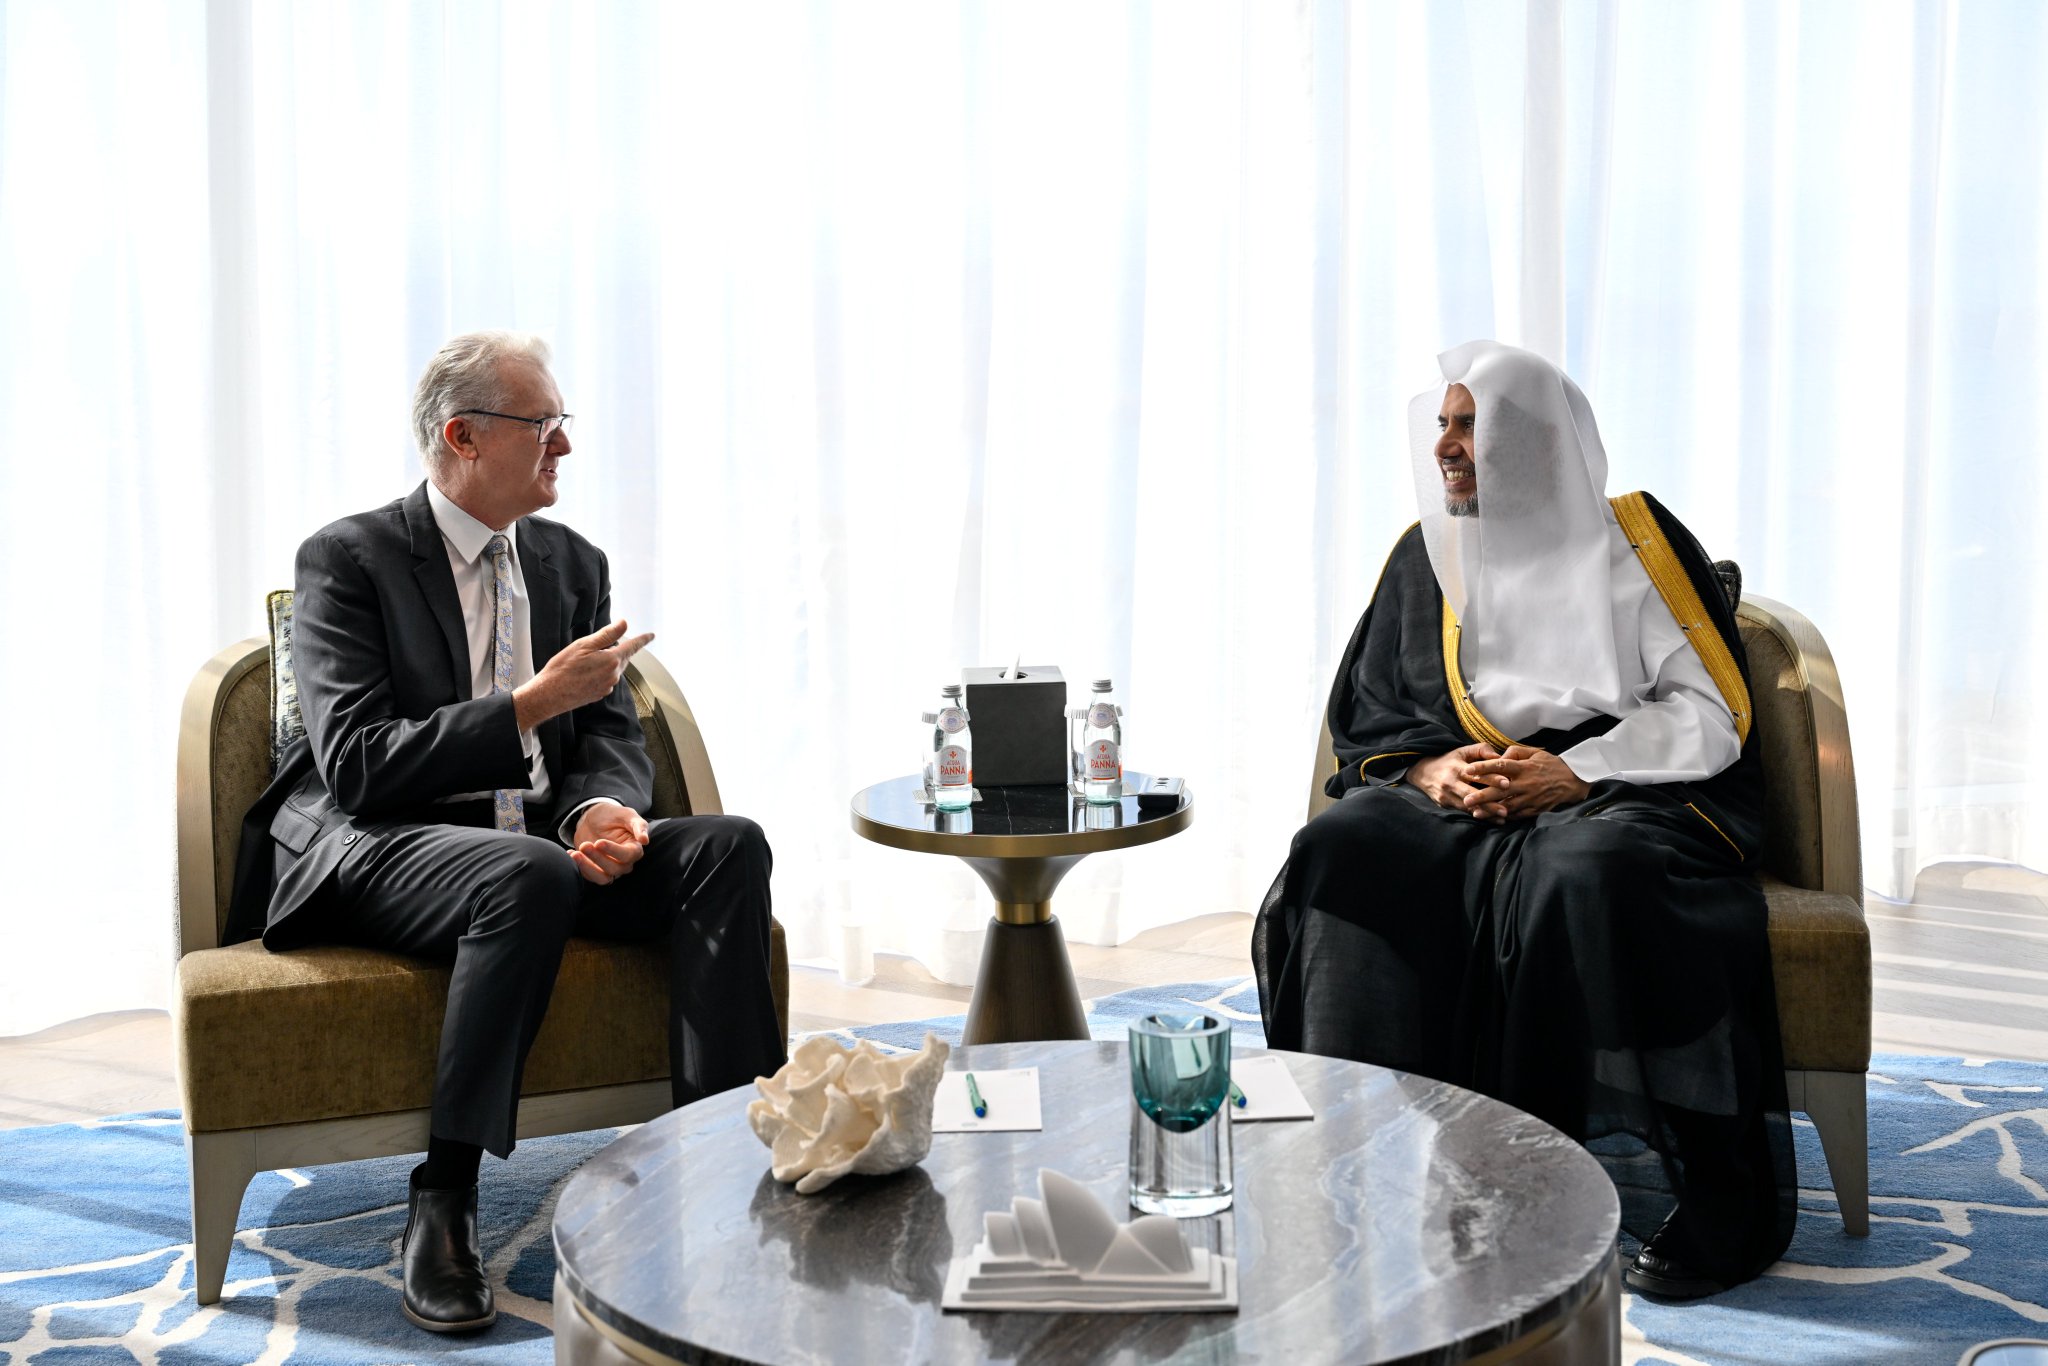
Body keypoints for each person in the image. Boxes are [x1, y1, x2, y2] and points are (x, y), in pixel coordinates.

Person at [229, 332, 786, 1333]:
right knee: (523, 875)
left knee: (725, 844)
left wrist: (603, 809)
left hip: (535, 845)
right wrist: (528, 706)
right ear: (464, 436)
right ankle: (442, 1196)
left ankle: (719, 1166)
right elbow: (358, 764)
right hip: (381, 842)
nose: (565, 448)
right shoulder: (347, 559)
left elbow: (609, 732)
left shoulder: (573, 563)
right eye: (546, 427)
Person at [1252, 341, 1795, 1298]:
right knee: (1345, 847)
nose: (1448, 447)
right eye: (1444, 427)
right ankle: (1348, 1150)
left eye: (1469, 427)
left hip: (1622, 786)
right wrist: (1428, 768)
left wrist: (1576, 771)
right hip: (1467, 786)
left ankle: (1623, 1183)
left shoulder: (1637, 543)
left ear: (1532, 442)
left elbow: (1712, 713)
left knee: (1581, 875)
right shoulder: (1427, 553)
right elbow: (1374, 705)